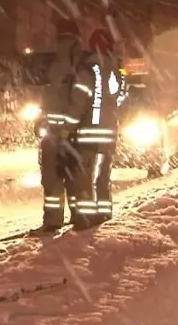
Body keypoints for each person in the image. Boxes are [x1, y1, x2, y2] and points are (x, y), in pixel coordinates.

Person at [66, 28, 124, 229]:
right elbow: (121, 98)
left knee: (84, 177)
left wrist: (67, 126)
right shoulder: (116, 70)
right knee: (102, 176)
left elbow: (78, 103)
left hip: (89, 132)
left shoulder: (87, 70)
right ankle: (104, 212)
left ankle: (86, 219)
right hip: (109, 132)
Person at [34, 18, 86, 234]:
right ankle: (74, 218)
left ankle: (56, 220)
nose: (60, 43)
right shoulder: (66, 65)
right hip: (62, 133)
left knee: (54, 179)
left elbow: (77, 101)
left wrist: (63, 126)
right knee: (67, 178)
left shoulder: (69, 66)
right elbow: (53, 99)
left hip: (64, 133)